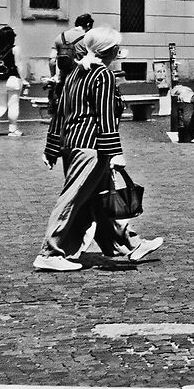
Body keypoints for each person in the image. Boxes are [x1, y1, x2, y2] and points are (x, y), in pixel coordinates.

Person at [35, 25, 163, 271]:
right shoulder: (102, 75)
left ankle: (131, 243)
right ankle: (50, 252)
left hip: (72, 144)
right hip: (92, 146)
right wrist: (115, 152)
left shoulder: (75, 72)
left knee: (97, 199)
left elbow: (60, 112)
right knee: (73, 198)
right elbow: (105, 116)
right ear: (111, 51)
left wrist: (51, 147)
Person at [0, 26, 26, 137]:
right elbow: (18, 64)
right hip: (12, 79)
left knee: (1, 105)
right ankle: (13, 129)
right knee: (13, 105)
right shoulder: (15, 49)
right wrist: (23, 79)